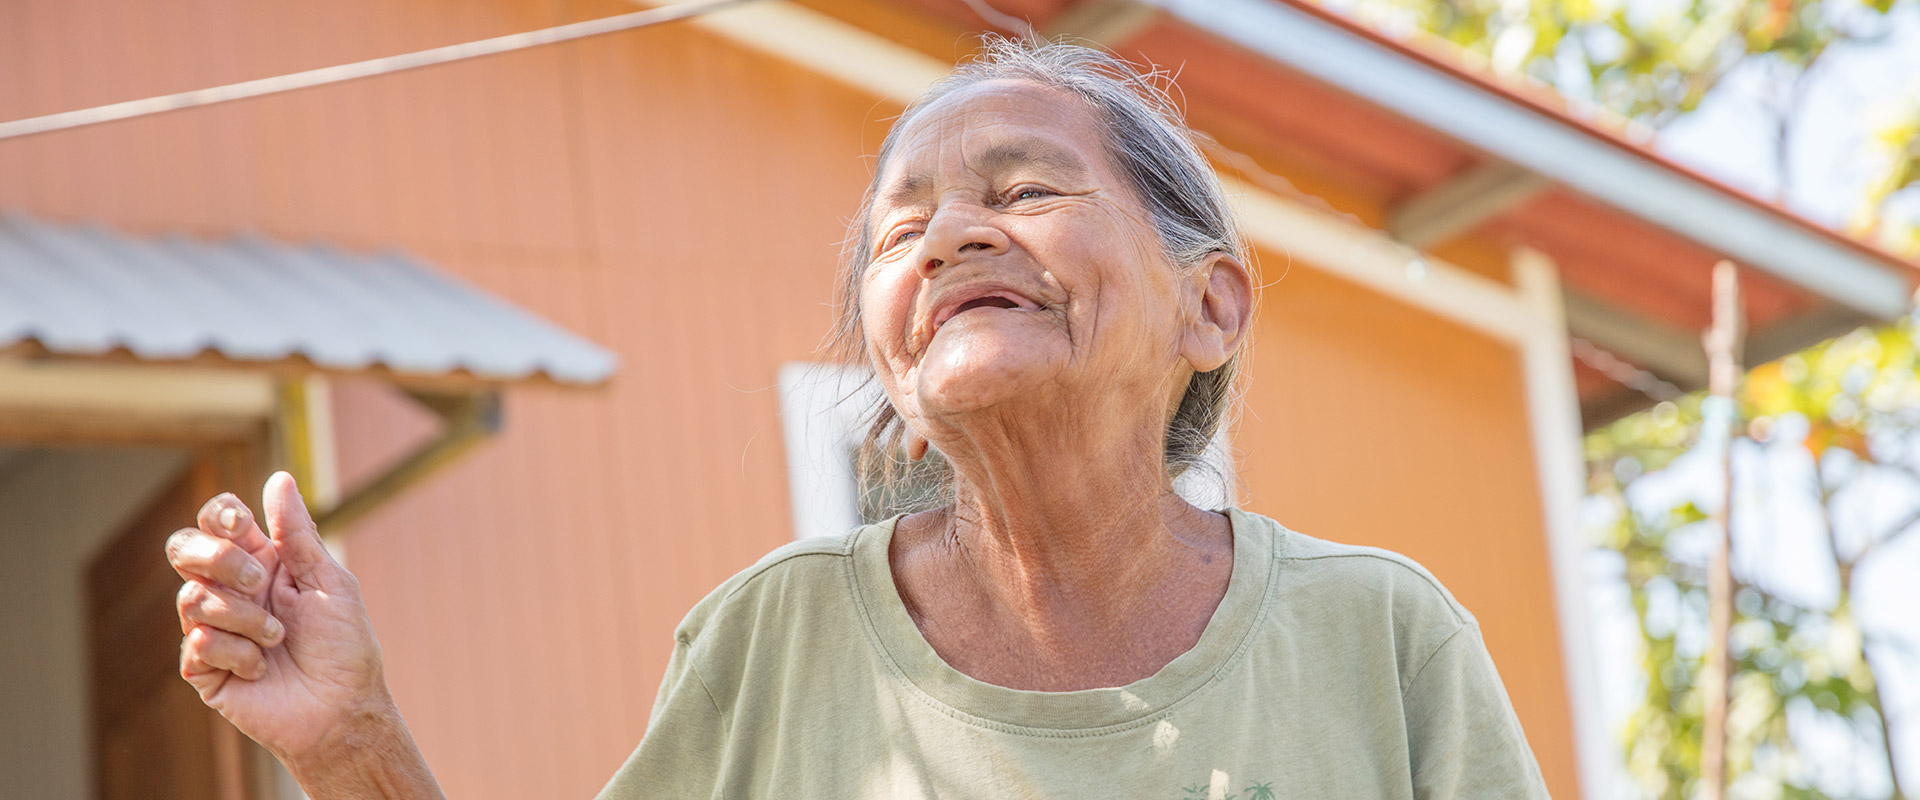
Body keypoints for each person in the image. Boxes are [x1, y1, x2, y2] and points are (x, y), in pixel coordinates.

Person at [166, 39, 1552, 799]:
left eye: (1020, 193)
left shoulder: (1380, 639)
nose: (950, 235)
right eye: (902, 229)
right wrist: (350, 742)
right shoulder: (772, 642)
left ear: (1214, 308)